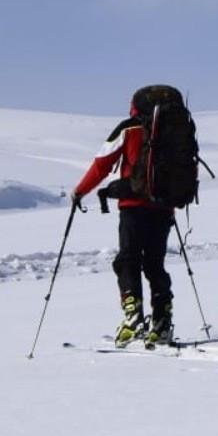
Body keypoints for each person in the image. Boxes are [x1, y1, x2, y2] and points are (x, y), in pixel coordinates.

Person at [72, 88, 177, 348]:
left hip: (133, 205)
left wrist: (80, 191)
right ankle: (162, 321)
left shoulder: (129, 128)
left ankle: (133, 314)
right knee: (155, 264)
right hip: (164, 206)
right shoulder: (176, 129)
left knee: (128, 258)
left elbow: (102, 164)